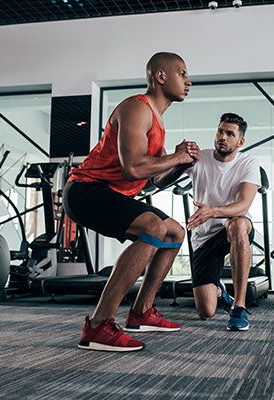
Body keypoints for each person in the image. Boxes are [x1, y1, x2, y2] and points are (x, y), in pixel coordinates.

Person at [63, 52, 198, 352]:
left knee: (174, 231)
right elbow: (133, 168)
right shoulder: (137, 108)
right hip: (85, 190)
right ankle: (98, 325)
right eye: (183, 74)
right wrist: (175, 157)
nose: (188, 82)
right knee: (152, 226)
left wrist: (180, 165)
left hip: (109, 193)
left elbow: (154, 180)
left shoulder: (157, 122)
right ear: (161, 76)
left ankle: (142, 312)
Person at [185, 113, 260, 331]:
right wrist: (177, 157)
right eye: (220, 131)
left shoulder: (248, 163)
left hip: (233, 227)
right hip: (203, 237)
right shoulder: (200, 158)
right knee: (206, 312)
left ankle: (239, 307)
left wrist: (212, 211)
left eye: (229, 134)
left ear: (240, 141)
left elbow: (243, 206)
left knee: (237, 223)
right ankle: (219, 291)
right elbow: (166, 173)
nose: (222, 137)